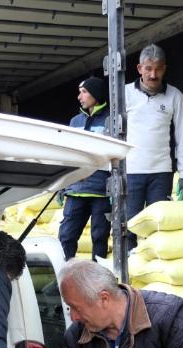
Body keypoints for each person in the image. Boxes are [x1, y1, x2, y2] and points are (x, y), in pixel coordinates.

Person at [124, 44, 183, 226]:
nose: (153, 75)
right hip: (131, 172)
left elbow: (182, 137)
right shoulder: (125, 94)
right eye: (148, 69)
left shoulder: (175, 96)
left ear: (164, 69)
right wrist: (110, 175)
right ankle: (130, 255)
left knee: (159, 225)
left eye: (158, 69)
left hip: (161, 172)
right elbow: (113, 136)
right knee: (130, 225)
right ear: (139, 69)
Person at [58, 76, 113, 260]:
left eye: (84, 92)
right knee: (66, 237)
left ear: (95, 94)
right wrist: (62, 184)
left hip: (101, 191)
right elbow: (68, 154)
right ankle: (64, 277)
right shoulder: (75, 121)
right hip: (75, 190)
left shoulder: (111, 120)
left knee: (99, 237)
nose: (79, 97)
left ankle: (97, 282)